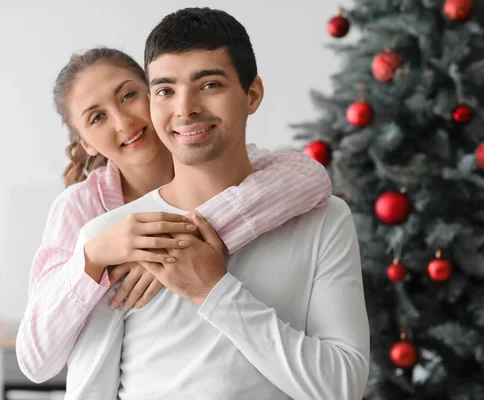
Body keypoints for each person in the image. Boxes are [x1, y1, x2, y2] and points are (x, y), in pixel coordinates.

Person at [61, 7, 370, 400]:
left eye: (209, 85)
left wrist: (214, 290)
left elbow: (343, 387)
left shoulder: (324, 220)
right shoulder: (111, 239)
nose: (185, 108)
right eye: (165, 90)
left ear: (252, 94)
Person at [16, 46, 334, 383]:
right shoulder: (79, 208)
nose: (123, 122)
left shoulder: (218, 165)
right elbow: (35, 361)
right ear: (86, 143)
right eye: (97, 117)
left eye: (128, 95)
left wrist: (179, 241)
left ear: (156, 95)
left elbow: (309, 177)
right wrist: (92, 257)